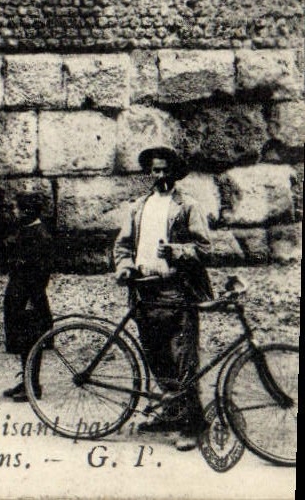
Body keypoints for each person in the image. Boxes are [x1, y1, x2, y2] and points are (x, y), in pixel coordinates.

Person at [114, 145, 211, 446]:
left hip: (176, 292)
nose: (160, 175)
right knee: (156, 355)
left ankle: (193, 425)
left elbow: (204, 249)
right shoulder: (138, 207)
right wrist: (125, 267)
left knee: (184, 359)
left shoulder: (188, 206)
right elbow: (123, 246)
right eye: (155, 170)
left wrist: (176, 251)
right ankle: (171, 412)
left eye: (166, 170)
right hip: (143, 291)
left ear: (175, 172)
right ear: (150, 172)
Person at [1, 186, 53, 402]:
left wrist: (32, 299)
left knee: (31, 341)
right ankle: (26, 381)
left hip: (30, 297)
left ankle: (33, 385)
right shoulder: (25, 230)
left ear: (29, 211)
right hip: (19, 293)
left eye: (18, 209)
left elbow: (42, 272)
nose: (15, 212)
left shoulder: (41, 235)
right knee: (23, 341)